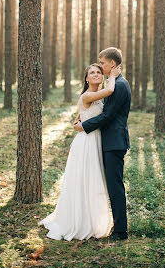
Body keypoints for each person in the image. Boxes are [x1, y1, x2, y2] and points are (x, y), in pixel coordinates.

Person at [38, 63, 121, 241]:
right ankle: (79, 220)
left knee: (94, 182)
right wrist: (112, 75)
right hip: (86, 143)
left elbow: (90, 115)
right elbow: (110, 90)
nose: (96, 74)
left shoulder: (98, 97)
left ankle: (92, 220)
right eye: (92, 72)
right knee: (84, 181)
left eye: (99, 72)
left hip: (96, 141)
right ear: (86, 78)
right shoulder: (89, 95)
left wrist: (80, 121)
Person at [74, 47, 131, 241]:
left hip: (114, 143)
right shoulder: (114, 84)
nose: (100, 66)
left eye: (103, 63)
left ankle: (121, 231)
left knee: (115, 186)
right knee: (109, 185)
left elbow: (108, 115)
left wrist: (85, 126)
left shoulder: (120, 86)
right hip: (107, 142)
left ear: (112, 64)